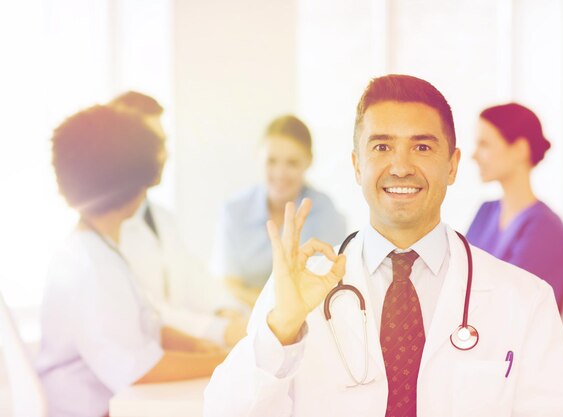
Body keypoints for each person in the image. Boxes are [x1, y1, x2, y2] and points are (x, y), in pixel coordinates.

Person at [203, 75, 563, 416]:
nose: (400, 167)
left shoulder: (525, 299)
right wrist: (281, 329)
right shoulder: (295, 291)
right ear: (356, 165)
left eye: (422, 148)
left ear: (452, 166)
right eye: (382, 147)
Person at [37, 106, 228, 417]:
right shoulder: (92, 265)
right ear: (134, 180)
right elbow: (138, 368)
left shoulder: (95, 250)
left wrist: (197, 346)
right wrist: (223, 361)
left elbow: (143, 328)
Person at [110, 91, 247, 347]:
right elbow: (144, 311)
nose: (165, 155)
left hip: (169, 355)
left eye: (164, 143)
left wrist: (226, 310)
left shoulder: (162, 218)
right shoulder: (108, 231)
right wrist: (220, 330)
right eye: (154, 144)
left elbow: (191, 276)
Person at [212, 114, 346, 306]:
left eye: (292, 163)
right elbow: (229, 284)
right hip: (245, 318)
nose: (280, 173)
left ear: (308, 161)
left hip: (308, 317)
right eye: (271, 161)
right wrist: (273, 310)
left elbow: (328, 282)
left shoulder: (326, 212)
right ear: (258, 156)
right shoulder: (234, 211)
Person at [466, 103, 563, 311]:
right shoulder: (487, 211)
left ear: (519, 150)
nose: (474, 155)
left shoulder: (544, 229)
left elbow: (514, 308)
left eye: (485, 144)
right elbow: (460, 274)